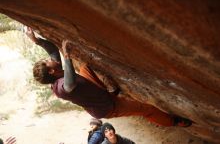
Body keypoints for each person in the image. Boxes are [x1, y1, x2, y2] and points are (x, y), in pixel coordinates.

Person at [26, 27, 192, 127]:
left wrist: (36, 41)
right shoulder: (60, 88)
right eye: (48, 63)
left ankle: (110, 90)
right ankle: (174, 122)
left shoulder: (57, 72)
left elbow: (53, 51)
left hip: (94, 91)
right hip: (106, 106)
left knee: (85, 68)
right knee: (146, 109)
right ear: (52, 72)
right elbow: (70, 85)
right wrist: (68, 58)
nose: (50, 60)